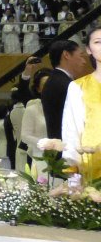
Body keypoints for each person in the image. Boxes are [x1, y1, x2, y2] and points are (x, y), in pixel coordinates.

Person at [62, 27, 101, 180]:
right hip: (92, 162)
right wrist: (72, 172)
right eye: (98, 42)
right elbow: (71, 130)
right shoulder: (78, 87)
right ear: (89, 49)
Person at [42, 39, 87, 139]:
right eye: (81, 56)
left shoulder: (54, 80)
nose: (84, 61)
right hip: (69, 144)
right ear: (66, 55)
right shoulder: (66, 85)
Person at [20, 69, 51, 176]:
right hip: (40, 157)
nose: (49, 87)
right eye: (44, 85)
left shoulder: (62, 109)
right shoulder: (32, 109)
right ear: (38, 89)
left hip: (60, 158)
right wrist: (45, 143)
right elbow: (25, 136)